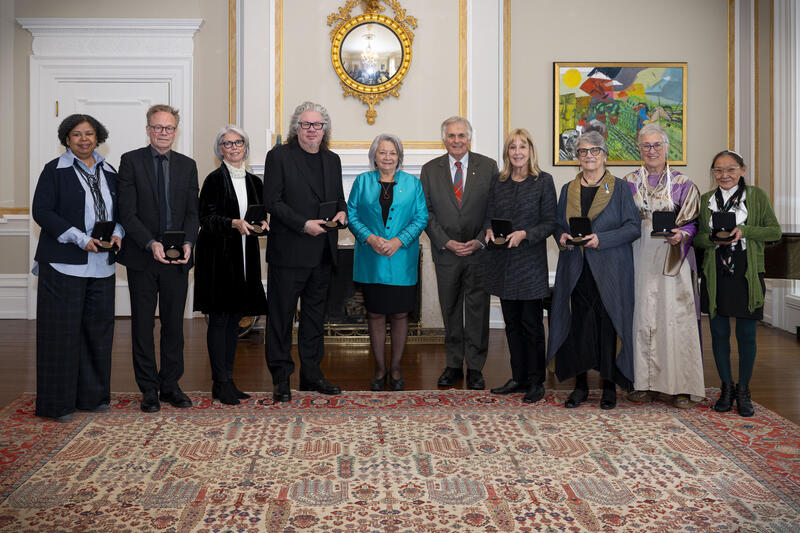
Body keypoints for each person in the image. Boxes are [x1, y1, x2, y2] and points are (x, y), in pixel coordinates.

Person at [31, 114, 123, 422]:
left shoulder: (109, 171)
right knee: (61, 335)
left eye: (89, 134)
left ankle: (93, 397)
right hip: (63, 265)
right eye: (76, 135)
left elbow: (121, 212)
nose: (84, 139)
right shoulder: (54, 171)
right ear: (66, 139)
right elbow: (41, 211)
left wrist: (117, 234)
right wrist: (79, 239)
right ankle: (56, 405)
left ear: (98, 138)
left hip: (102, 267)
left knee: (98, 334)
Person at [546, 131, 640, 410]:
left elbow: (633, 227)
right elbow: (558, 225)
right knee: (579, 327)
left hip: (610, 270)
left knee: (608, 326)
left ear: (605, 154)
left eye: (595, 150)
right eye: (583, 151)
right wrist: (561, 236)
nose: (589, 155)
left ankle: (609, 386)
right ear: (577, 157)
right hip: (576, 269)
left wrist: (602, 239)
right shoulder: (567, 189)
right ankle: (580, 387)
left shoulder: (621, 188)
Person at [117, 104, 199, 413]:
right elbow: (127, 212)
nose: (163, 133)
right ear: (148, 129)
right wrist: (150, 242)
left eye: (168, 128)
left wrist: (190, 242)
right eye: (157, 127)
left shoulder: (187, 165)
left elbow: (193, 211)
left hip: (178, 259)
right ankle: (148, 389)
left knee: (174, 325)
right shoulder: (131, 161)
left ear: (176, 131)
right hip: (143, 258)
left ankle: (170, 385)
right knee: (142, 325)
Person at [263, 101, 347, 403]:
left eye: (317, 125)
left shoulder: (332, 159)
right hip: (289, 253)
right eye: (306, 124)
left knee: (314, 319)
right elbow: (273, 201)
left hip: (323, 255)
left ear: (325, 129)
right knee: (281, 318)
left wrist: (343, 214)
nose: (312, 130)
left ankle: (312, 374)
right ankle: (281, 378)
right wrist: (303, 224)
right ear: (296, 128)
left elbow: (338, 198)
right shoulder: (279, 157)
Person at [623, 123, 704, 408]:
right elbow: (621, 219)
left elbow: (694, 222)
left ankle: (681, 386)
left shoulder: (684, 183)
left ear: (667, 148)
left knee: (675, 319)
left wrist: (682, 234)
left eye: (657, 145)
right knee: (644, 318)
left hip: (674, 258)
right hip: (640, 255)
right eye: (646, 146)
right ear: (639, 149)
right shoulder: (628, 181)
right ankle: (644, 383)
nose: (652, 150)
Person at [695, 150, 781, 417]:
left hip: (746, 272)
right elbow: (697, 239)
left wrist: (745, 231)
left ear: (742, 170)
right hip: (716, 274)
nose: (724, 175)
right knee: (719, 334)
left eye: (730, 169)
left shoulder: (755, 196)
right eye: (718, 171)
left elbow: (774, 231)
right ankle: (726, 389)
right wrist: (711, 239)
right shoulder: (707, 199)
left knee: (746, 335)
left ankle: (743, 390)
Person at [421, 116, 499, 390]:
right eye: (451, 136)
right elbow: (426, 213)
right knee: (450, 309)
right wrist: (446, 242)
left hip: (479, 252)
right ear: (444, 139)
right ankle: (454, 364)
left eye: (461, 136)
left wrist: (479, 240)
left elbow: (495, 209)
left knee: (477, 311)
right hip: (447, 253)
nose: (456, 141)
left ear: (469, 138)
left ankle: (476, 367)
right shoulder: (430, 170)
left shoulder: (488, 167)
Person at [194, 125, 268, 405]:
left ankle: (228, 379)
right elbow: (206, 219)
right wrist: (233, 223)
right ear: (220, 150)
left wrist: (264, 224)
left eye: (239, 142)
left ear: (246, 147)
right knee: (220, 320)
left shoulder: (255, 182)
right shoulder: (214, 180)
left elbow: (258, 218)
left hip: (245, 259)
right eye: (227, 143)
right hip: (218, 259)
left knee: (235, 320)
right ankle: (220, 381)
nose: (234, 147)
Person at [348, 134, 428, 391]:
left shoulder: (413, 184)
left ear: (399, 157)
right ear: (374, 156)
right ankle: (380, 368)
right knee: (375, 314)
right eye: (382, 152)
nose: (387, 157)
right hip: (372, 259)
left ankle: (395, 368)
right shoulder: (362, 182)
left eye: (392, 152)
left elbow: (421, 217)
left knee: (400, 314)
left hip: (401, 259)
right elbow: (351, 214)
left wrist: (398, 241)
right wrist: (371, 239)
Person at [484, 129, 556, 403]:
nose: (517, 152)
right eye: (512, 147)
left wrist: (526, 234)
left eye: (522, 147)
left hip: (529, 265)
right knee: (512, 326)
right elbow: (488, 216)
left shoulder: (543, 181)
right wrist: (488, 230)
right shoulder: (498, 181)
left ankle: (537, 382)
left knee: (532, 326)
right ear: (507, 153)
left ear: (530, 150)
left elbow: (550, 222)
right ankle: (519, 377)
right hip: (502, 265)